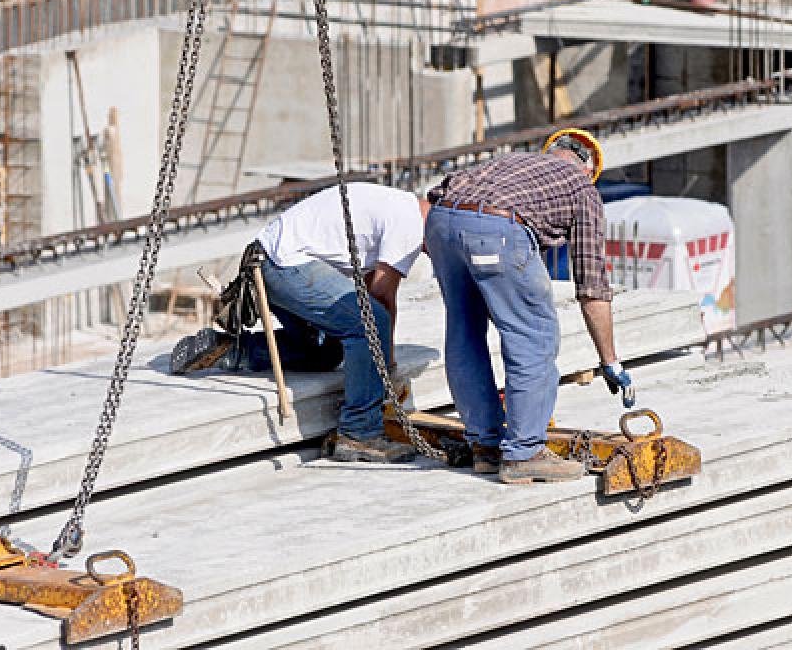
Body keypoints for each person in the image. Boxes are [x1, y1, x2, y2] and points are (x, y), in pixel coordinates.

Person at [424, 128, 636, 485]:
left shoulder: (511, 162)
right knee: (532, 335)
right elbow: (592, 285)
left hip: (440, 221)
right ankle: (525, 453)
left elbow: (441, 190)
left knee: (464, 332)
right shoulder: (582, 188)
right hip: (497, 229)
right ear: (589, 169)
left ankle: (486, 446)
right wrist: (609, 359)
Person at [170, 182, 428, 463]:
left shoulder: (400, 206)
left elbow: (368, 288)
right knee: (370, 322)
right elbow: (379, 298)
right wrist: (386, 369)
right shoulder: (412, 223)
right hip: (285, 265)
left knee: (325, 351)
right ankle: (359, 433)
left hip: (268, 261)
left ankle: (231, 351)